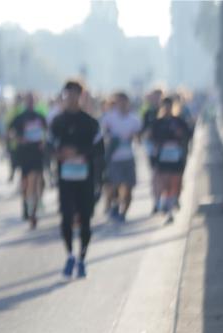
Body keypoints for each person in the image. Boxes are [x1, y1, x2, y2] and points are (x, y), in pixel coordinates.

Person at [50, 80, 100, 279]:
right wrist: (59, 154)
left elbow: (99, 150)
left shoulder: (90, 123)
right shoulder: (58, 122)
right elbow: (48, 146)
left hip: (85, 177)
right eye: (67, 94)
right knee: (66, 217)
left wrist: (78, 152)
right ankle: (70, 254)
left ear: (81, 96)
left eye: (75, 94)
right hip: (65, 177)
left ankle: (82, 257)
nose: (71, 98)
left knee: (85, 219)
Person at [100, 92, 142, 223]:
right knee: (114, 185)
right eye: (119, 102)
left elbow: (138, 140)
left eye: (124, 101)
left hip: (128, 157)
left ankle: (123, 212)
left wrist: (134, 137)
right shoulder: (108, 118)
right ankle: (114, 206)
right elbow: (103, 136)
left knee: (129, 187)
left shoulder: (134, 120)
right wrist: (111, 140)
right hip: (114, 158)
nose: (122, 104)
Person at [9, 93, 49, 229]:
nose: (31, 102)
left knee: (37, 180)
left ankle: (33, 210)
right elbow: (10, 133)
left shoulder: (39, 116)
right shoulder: (20, 118)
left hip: (37, 152)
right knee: (26, 182)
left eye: (33, 100)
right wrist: (20, 139)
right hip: (24, 153)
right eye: (28, 100)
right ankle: (27, 205)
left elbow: (47, 132)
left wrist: (44, 142)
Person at [150, 96, 192, 224]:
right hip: (163, 156)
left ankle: (170, 209)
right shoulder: (158, 122)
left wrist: (180, 135)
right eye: (165, 106)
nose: (167, 109)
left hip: (176, 156)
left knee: (174, 182)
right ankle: (164, 205)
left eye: (169, 106)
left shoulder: (179, 121)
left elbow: (188, 135)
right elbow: (152, 137)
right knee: (164, 182)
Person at [140, 88, 163, 213]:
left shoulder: (167, 110)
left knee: (164, 175)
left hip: (165, 148)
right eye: (154, 97)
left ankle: (167, 199)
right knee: (155, 174)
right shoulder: (148, 113)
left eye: (158, 97)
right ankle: (157, 201)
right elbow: (143, 130)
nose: (156, 99)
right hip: (152, 147)